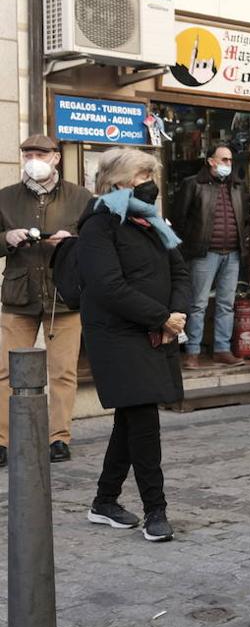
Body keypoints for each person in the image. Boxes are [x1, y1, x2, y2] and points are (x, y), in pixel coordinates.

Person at [80, 148, 190, 543]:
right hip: (116, 335)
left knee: (130, 419)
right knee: (143, 418)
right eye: (142, 173)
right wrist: (160, 317)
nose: (149, 180)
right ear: (117, 180)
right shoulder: (99, 224)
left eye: (151, 172)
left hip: (156, 331)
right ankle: (155, 511)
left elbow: (180, 272)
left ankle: (104, 501)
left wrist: (175, 315)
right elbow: (108, 286)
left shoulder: (152, 221)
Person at [0, 134, 92, 467]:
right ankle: (3, 440)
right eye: (28, 153)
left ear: (56, 157)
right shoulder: (6, 198)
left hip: (63, 296)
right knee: (6, 371)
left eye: (40, 153)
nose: (33, 159)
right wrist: (7, 238)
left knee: (63, 372)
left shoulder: (80, 197)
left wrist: (72, 242)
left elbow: (97, 242)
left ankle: (59, 438)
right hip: (19, 294)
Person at [172, 144, 250, 369]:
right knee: (198, 304)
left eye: (230, 160)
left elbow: (245, 220)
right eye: (224, 159)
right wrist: (188, 246)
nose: (228, 164)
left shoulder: (237, 187)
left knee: (226, 304)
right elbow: (179, 218)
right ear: (211, 161)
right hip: (203, 253)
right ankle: (193, 352)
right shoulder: (193, 184)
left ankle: (221, 349)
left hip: (232, 253)